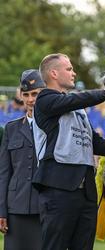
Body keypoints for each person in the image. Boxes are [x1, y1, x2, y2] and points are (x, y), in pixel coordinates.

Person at [32, 53, 105, 250]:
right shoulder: (45, 100)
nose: (74, 73)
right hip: (58, 190)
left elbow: (95, 144)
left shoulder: (78, 110)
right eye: (69, 69)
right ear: (54, 73)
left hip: (86, 193)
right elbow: (73, 101)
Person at [0, 69, 46, 250]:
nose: (30, 99)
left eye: (35, 94)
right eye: (26, 94)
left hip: (44, 209)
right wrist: (1, 210)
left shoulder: (55, 127)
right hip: (15, 209)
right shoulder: (11, 129)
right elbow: (4, 173)